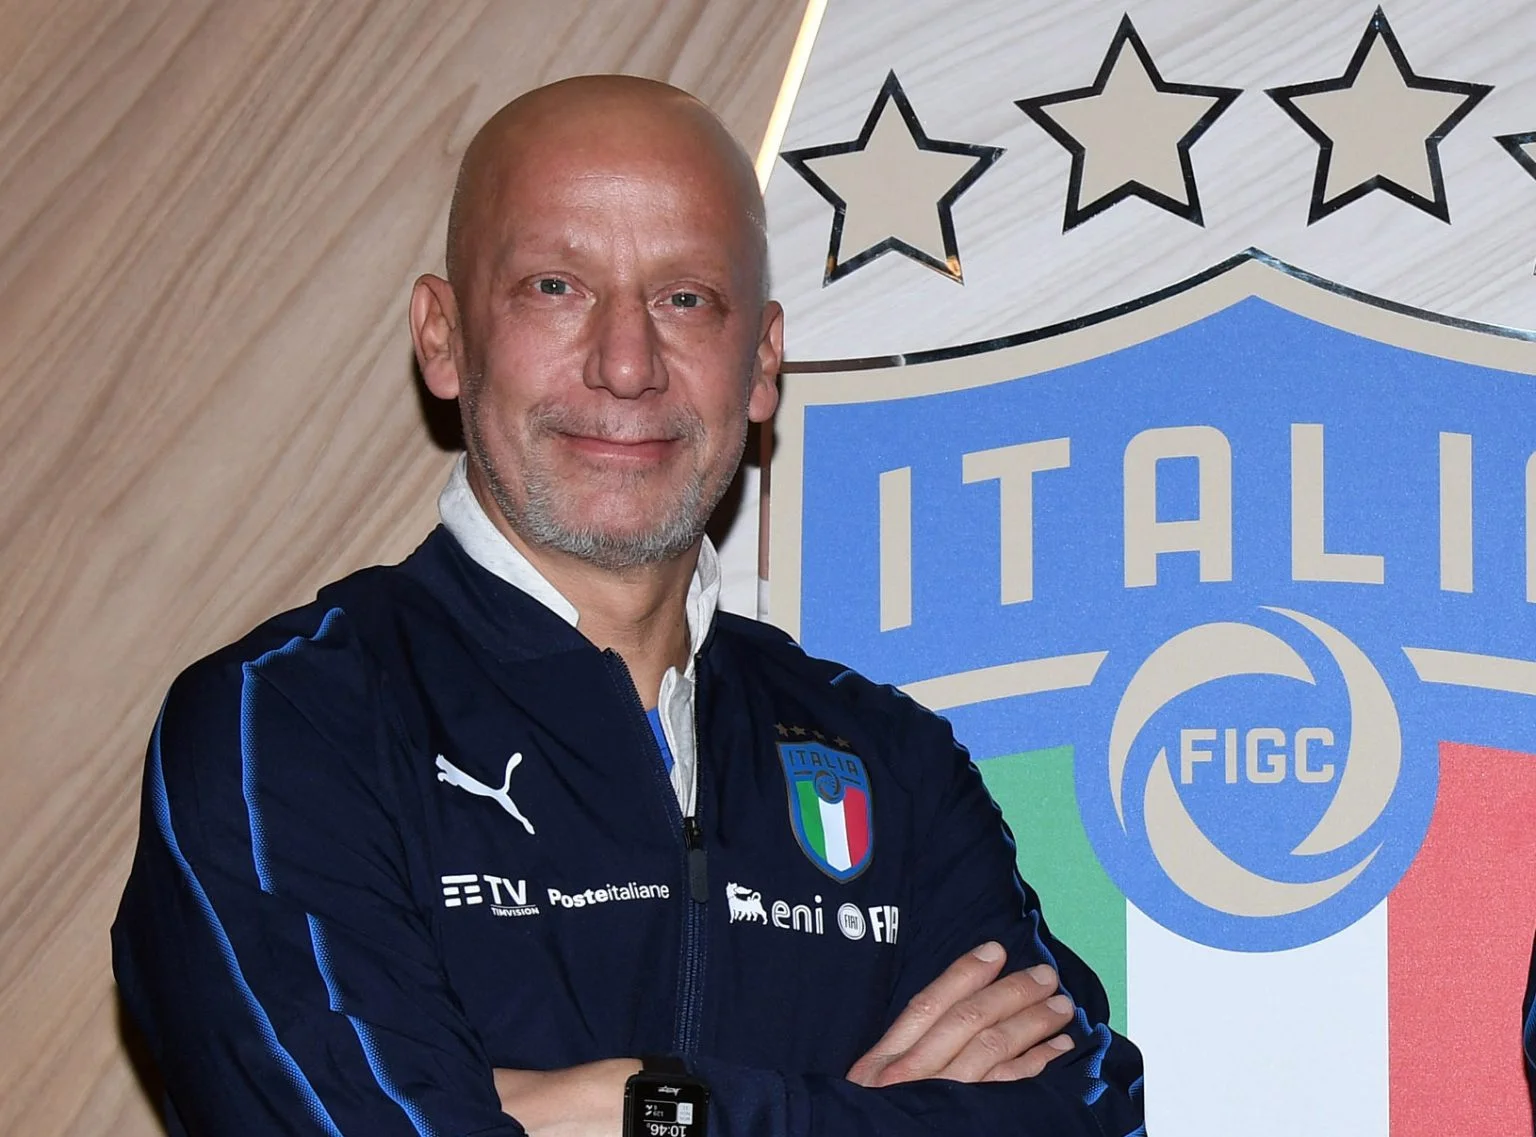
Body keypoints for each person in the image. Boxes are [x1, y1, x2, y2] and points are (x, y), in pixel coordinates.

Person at [112, 76, 1144, 1136]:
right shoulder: (285, 726)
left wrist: (645, 1107)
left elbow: (1085, 1113)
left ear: (762, 362)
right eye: (555, 287)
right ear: (444, 336)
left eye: (684, 298)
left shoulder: (892, 759)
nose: (625, 364)